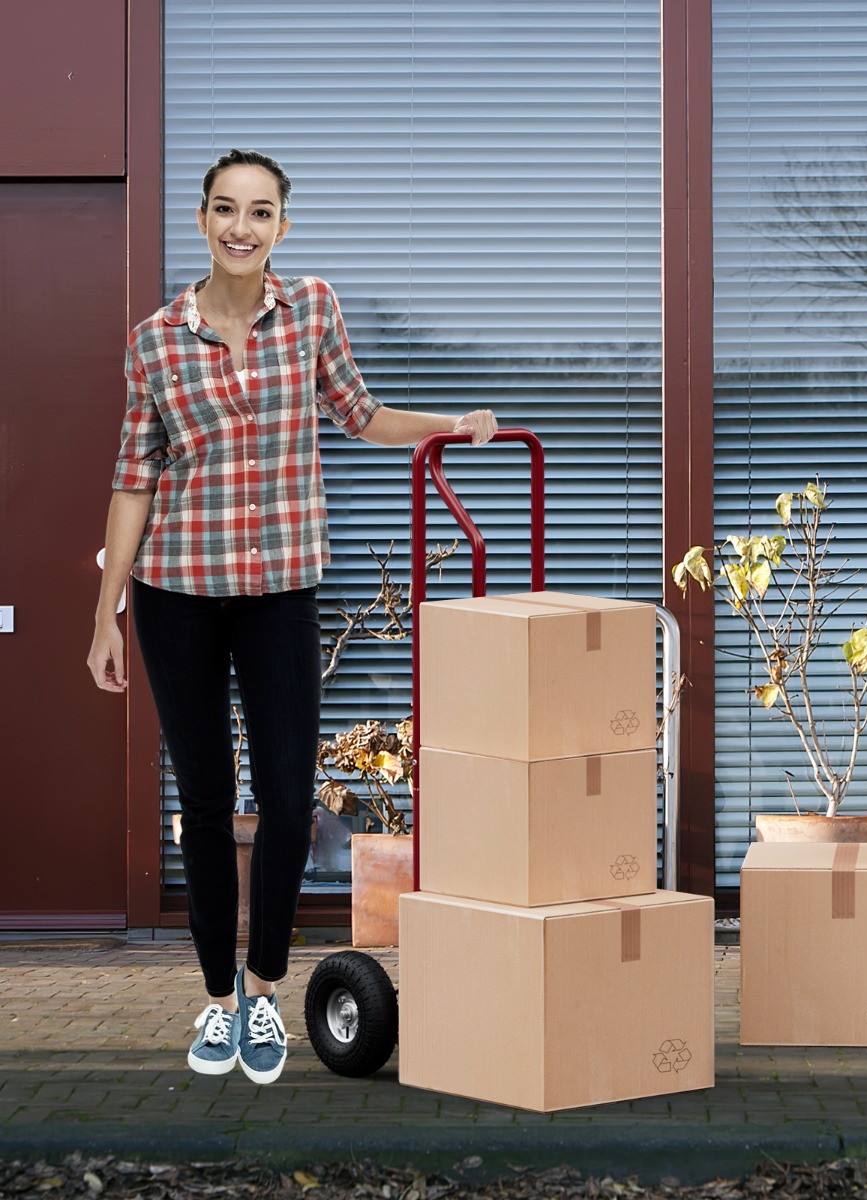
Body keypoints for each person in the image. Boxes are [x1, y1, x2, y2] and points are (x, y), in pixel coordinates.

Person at [86, 148, 496, 1085]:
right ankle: (217, 1003)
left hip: (278, 594)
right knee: (200, 800)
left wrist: (450, 425)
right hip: (176, 596)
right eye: (226, 209)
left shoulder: (309, 309)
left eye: (261, 212)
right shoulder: (155, 342)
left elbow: (360, 413)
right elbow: (132, 482)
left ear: (281, 225)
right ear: (201, 220)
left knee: (283, 798)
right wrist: (104, 615)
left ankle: (265, 993)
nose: (242, 227)